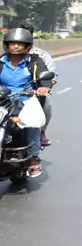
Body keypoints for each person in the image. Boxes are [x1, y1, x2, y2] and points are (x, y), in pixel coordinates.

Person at [0, 27, 53, 178]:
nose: (15, 46)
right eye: (12, 43)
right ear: (6, 45)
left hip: (26, 98)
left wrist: (43, 87)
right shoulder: (1, 62)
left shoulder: (35, 61)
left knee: (32, 123)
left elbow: (45, 77)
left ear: (27, 46)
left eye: (20, 44)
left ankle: (34, 157)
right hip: (3, 99)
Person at [18, 24, 56, 148]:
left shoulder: (40, 57)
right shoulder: (6, 58)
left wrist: (44, 88)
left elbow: (49, 77)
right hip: (11, 93)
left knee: (47, 104)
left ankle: (42, 132)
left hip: (33, 93)